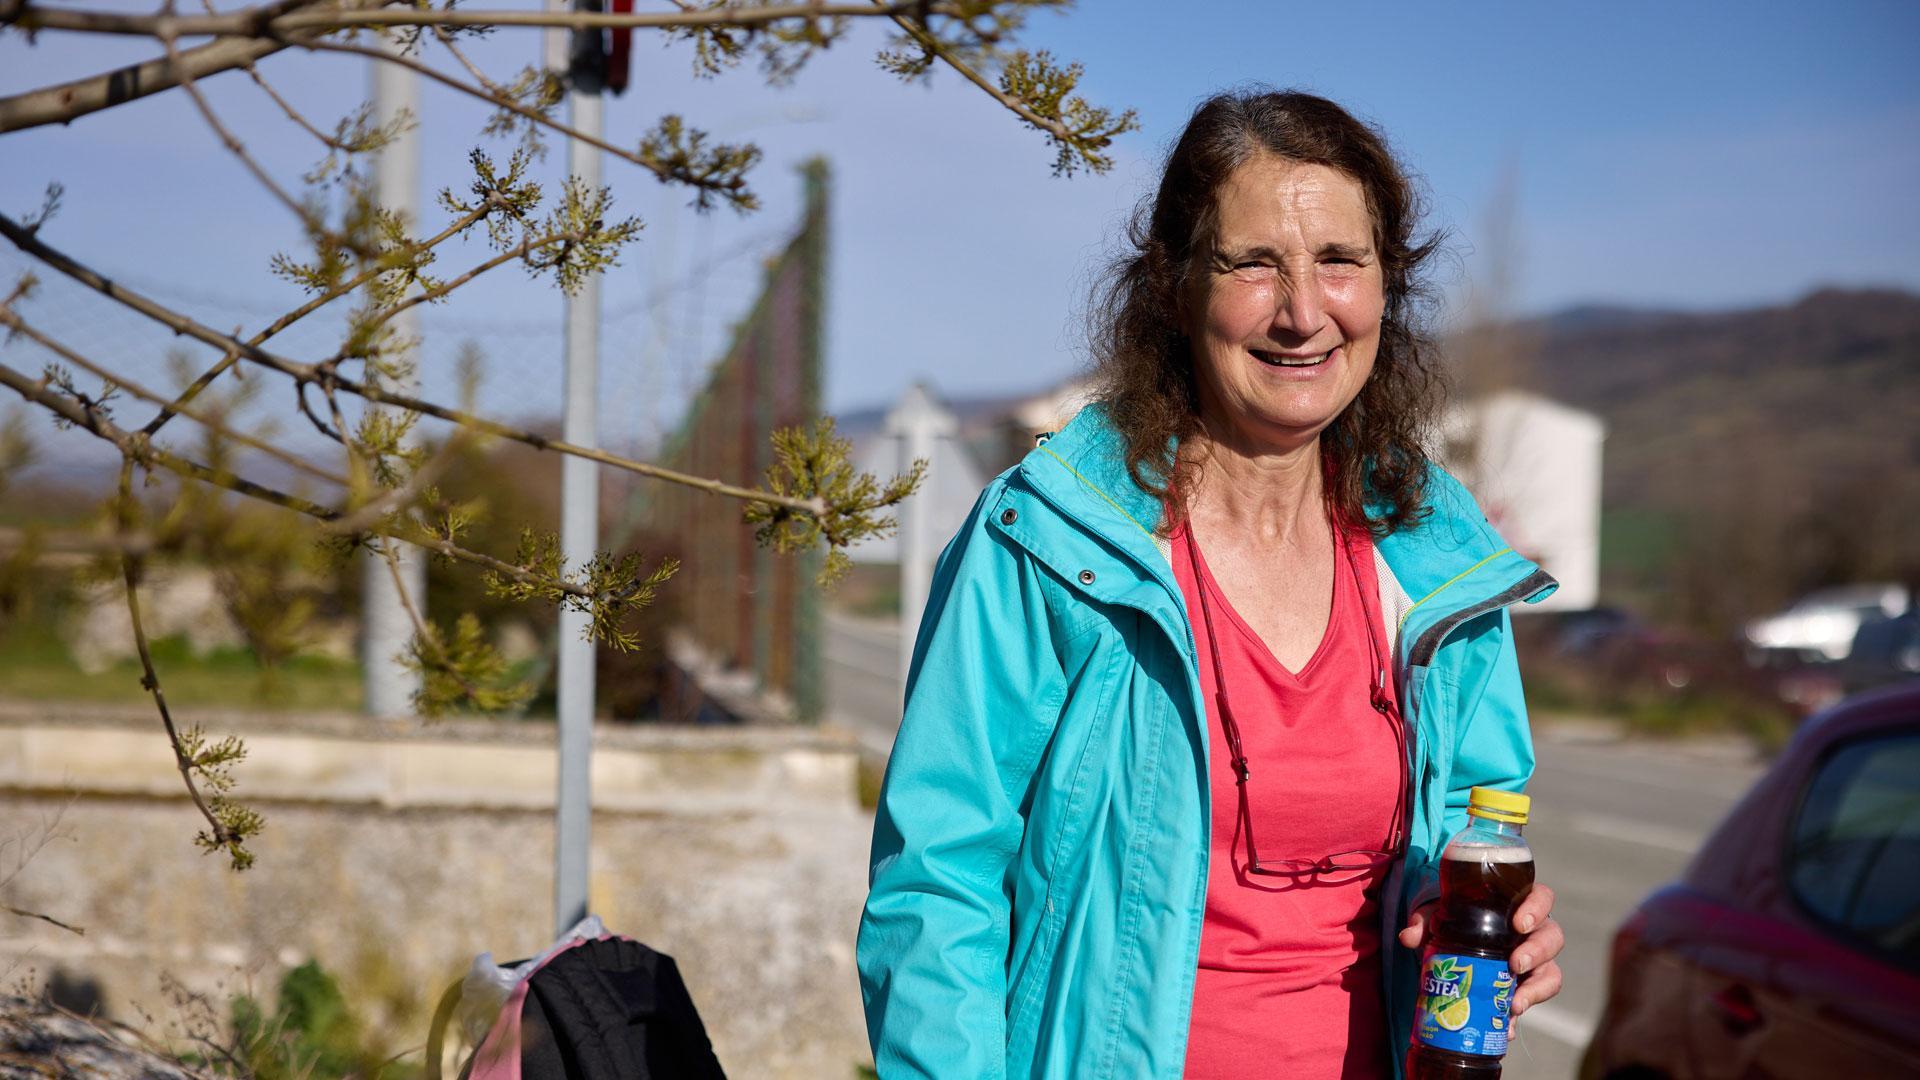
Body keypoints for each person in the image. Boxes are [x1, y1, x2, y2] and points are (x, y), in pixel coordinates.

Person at [857, 89, 1566, 1078]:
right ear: (1177, 283)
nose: (1303, 313)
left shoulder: (1439, 556)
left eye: (1340, 261)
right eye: (1254, 263)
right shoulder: (1050, 538)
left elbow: (1474, 822)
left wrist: (1498, 923)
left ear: (1386, 284)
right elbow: (939, 885)